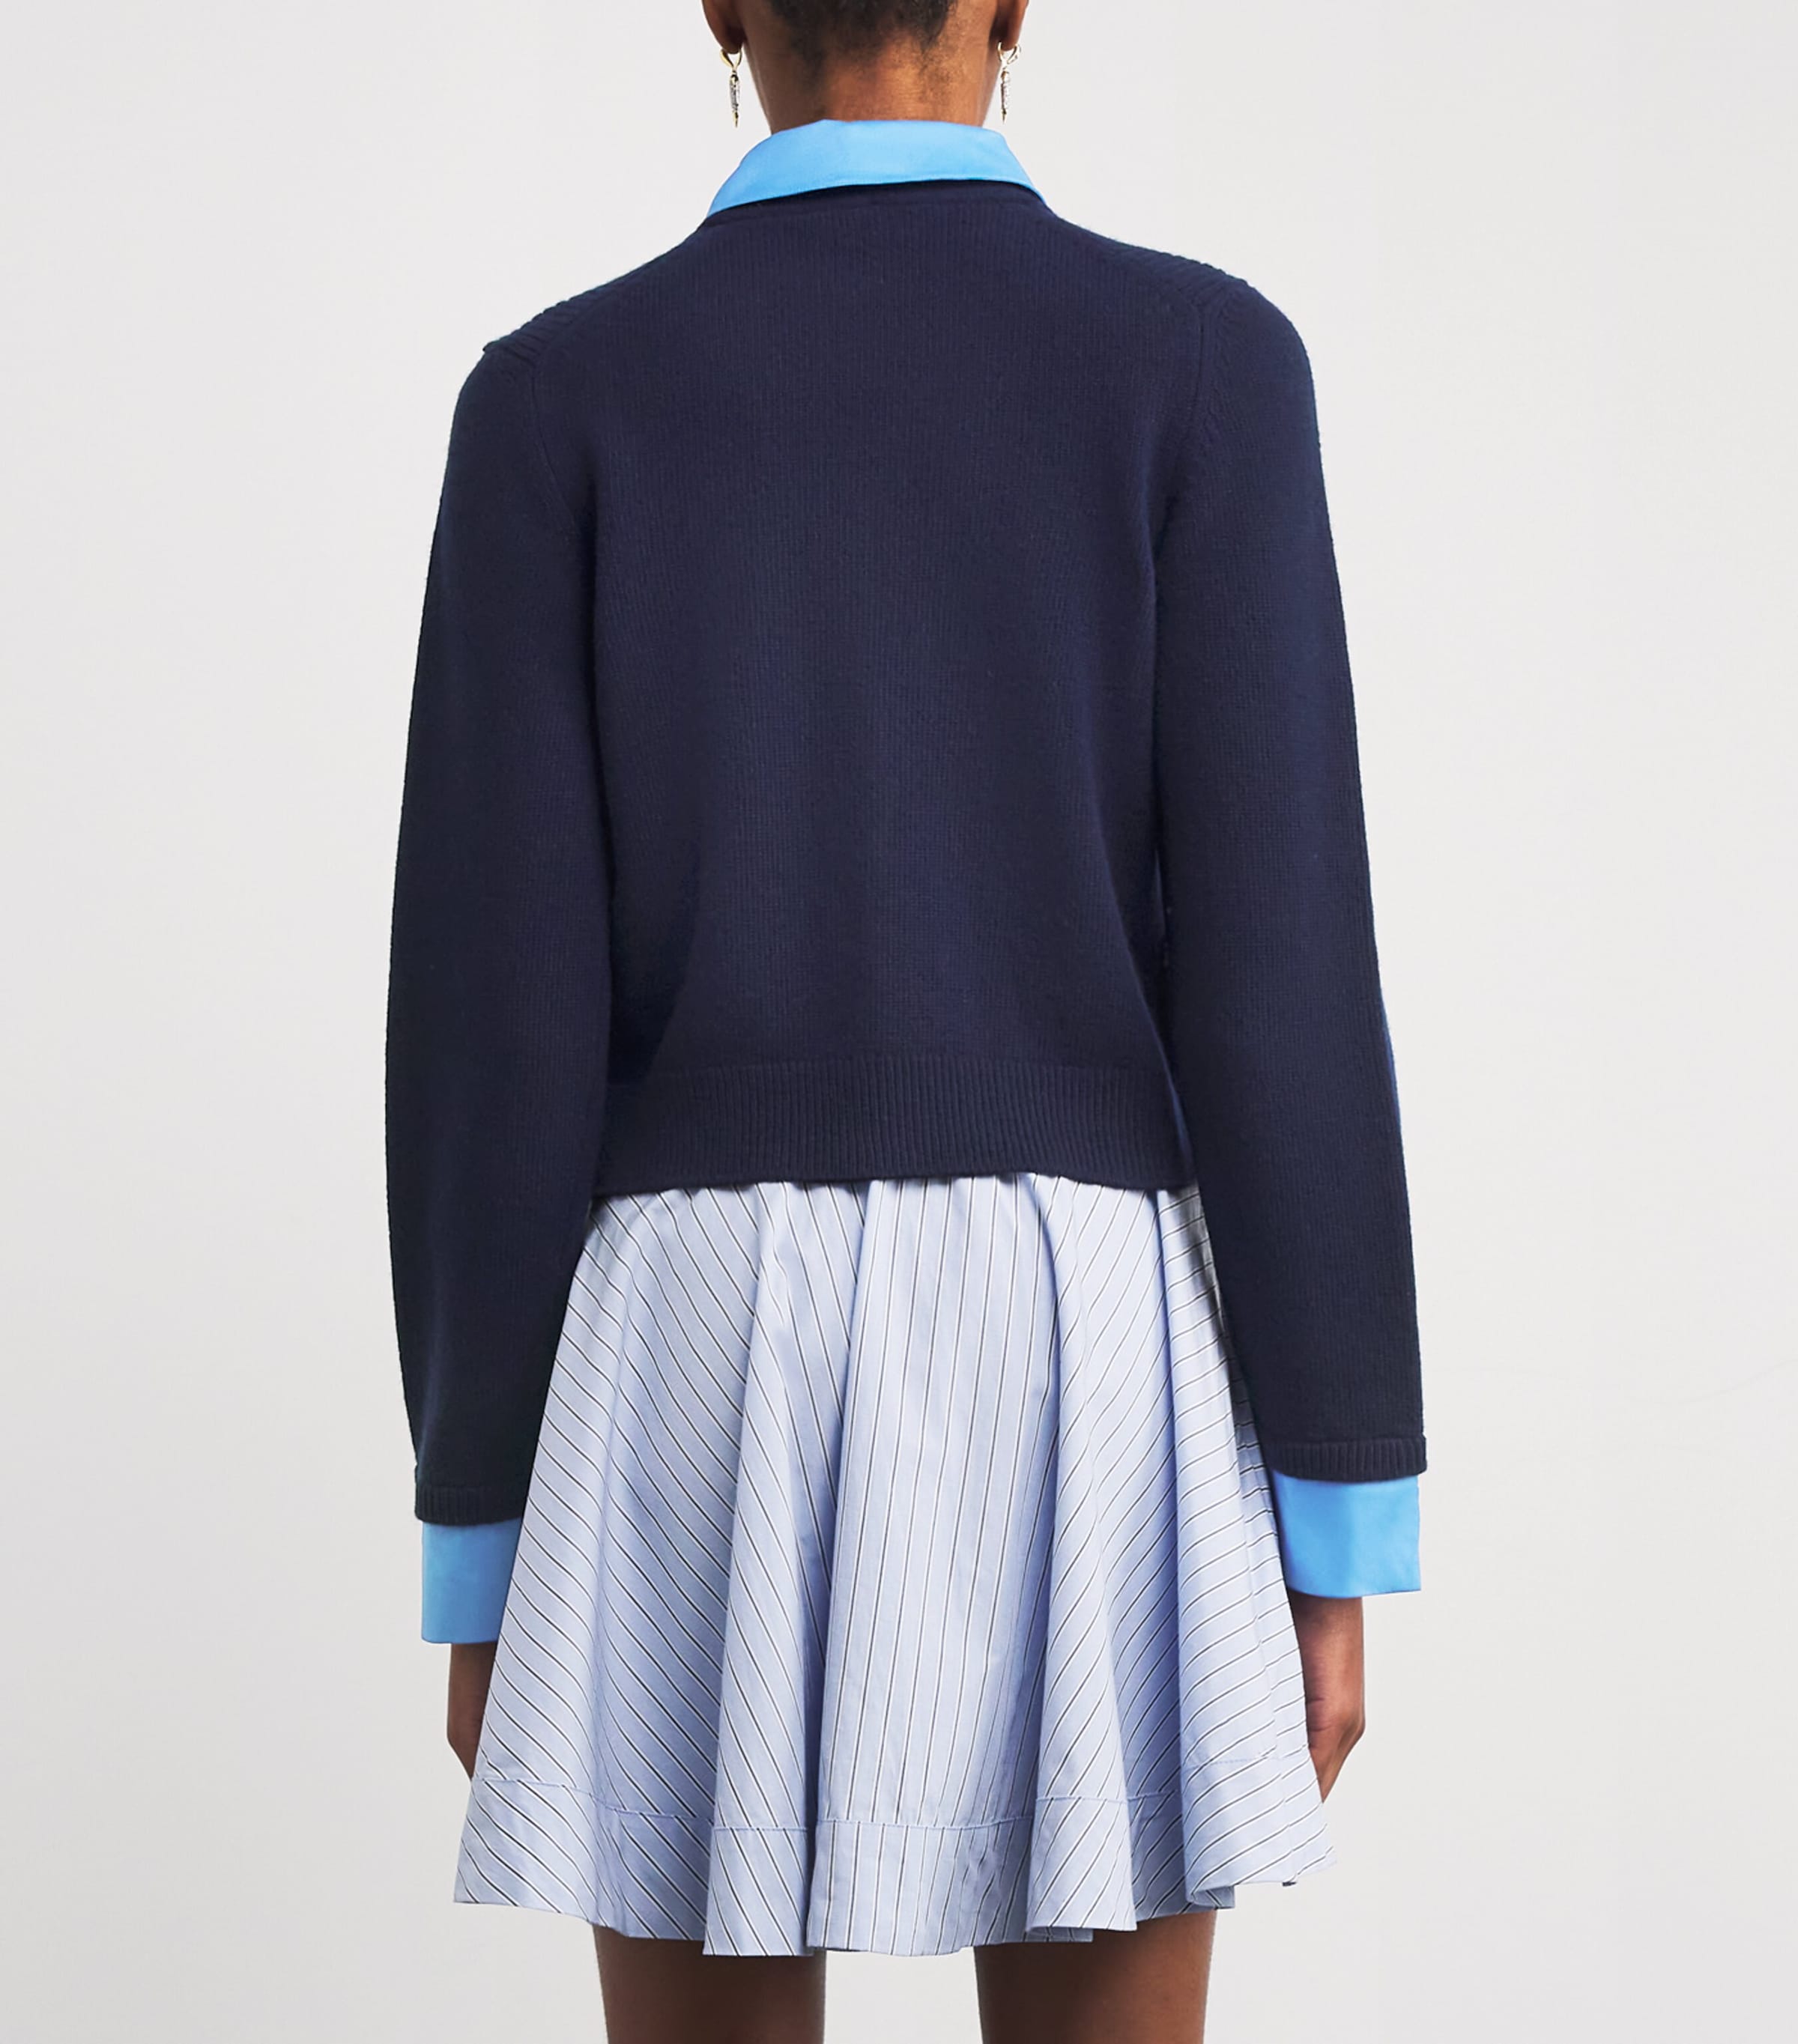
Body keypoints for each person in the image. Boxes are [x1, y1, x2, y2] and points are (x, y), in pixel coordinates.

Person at [384, 2, 1426, 2037]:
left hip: (689, 1340)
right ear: (1014, 2)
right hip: (1084, 1337)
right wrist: (1341, 1508)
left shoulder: (556, 398)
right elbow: (1281, 972)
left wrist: (485, 1544)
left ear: (722, 6)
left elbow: (491, 1026)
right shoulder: (1204, 364)